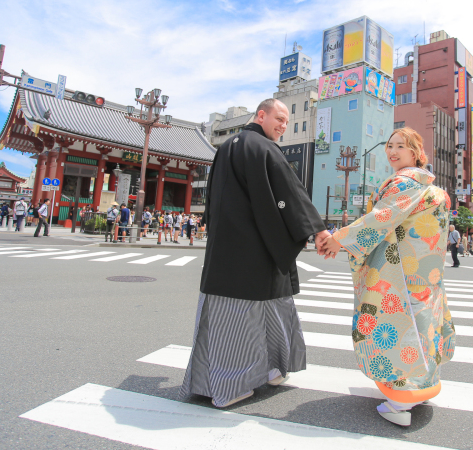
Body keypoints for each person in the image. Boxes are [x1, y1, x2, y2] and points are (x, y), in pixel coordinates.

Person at [179, 98, 331, 409]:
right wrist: (317, 229)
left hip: (225, 251)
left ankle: (269, 369)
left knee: (226, 318)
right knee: (256, 315)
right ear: (260, 115)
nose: (283, 126)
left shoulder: (227, 148)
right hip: (257, 249)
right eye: (279, 118)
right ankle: (232, 386)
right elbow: (289, 192)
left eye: (287, 121)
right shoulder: (264, 148)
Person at [321, 127, 455, 427]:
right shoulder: (432, 188)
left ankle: (400, 401)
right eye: (390, 145)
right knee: (423, 327)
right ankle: (421, 388)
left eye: (401, 146)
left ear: (416, 153)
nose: (393, 151)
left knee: (398, 326)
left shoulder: (404, 183)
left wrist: (338, 238)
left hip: (401, 272)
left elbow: (380, 219)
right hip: (425, 270)